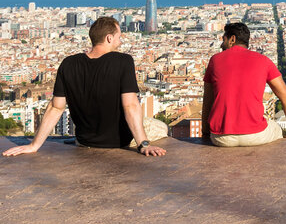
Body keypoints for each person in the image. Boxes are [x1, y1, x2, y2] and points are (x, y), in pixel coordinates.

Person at [3, 17, 167, 157]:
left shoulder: (68, 63)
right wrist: (143, 144)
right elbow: (130, 105)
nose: (120, 41)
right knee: (162, 127)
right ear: (109, 38)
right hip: (118, 140)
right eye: (119, 37)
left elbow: (55, 107)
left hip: (83, 140)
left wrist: (34, 146)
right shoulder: (123, 61)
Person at [202, 23, 286, 146]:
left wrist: (205, 133)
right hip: (256, 135)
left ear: (232, 39)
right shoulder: (264, 60)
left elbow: (207, 100)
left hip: (221, 138)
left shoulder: (215, 60)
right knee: (277, 128)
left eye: (224, 39)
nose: (222, 45)